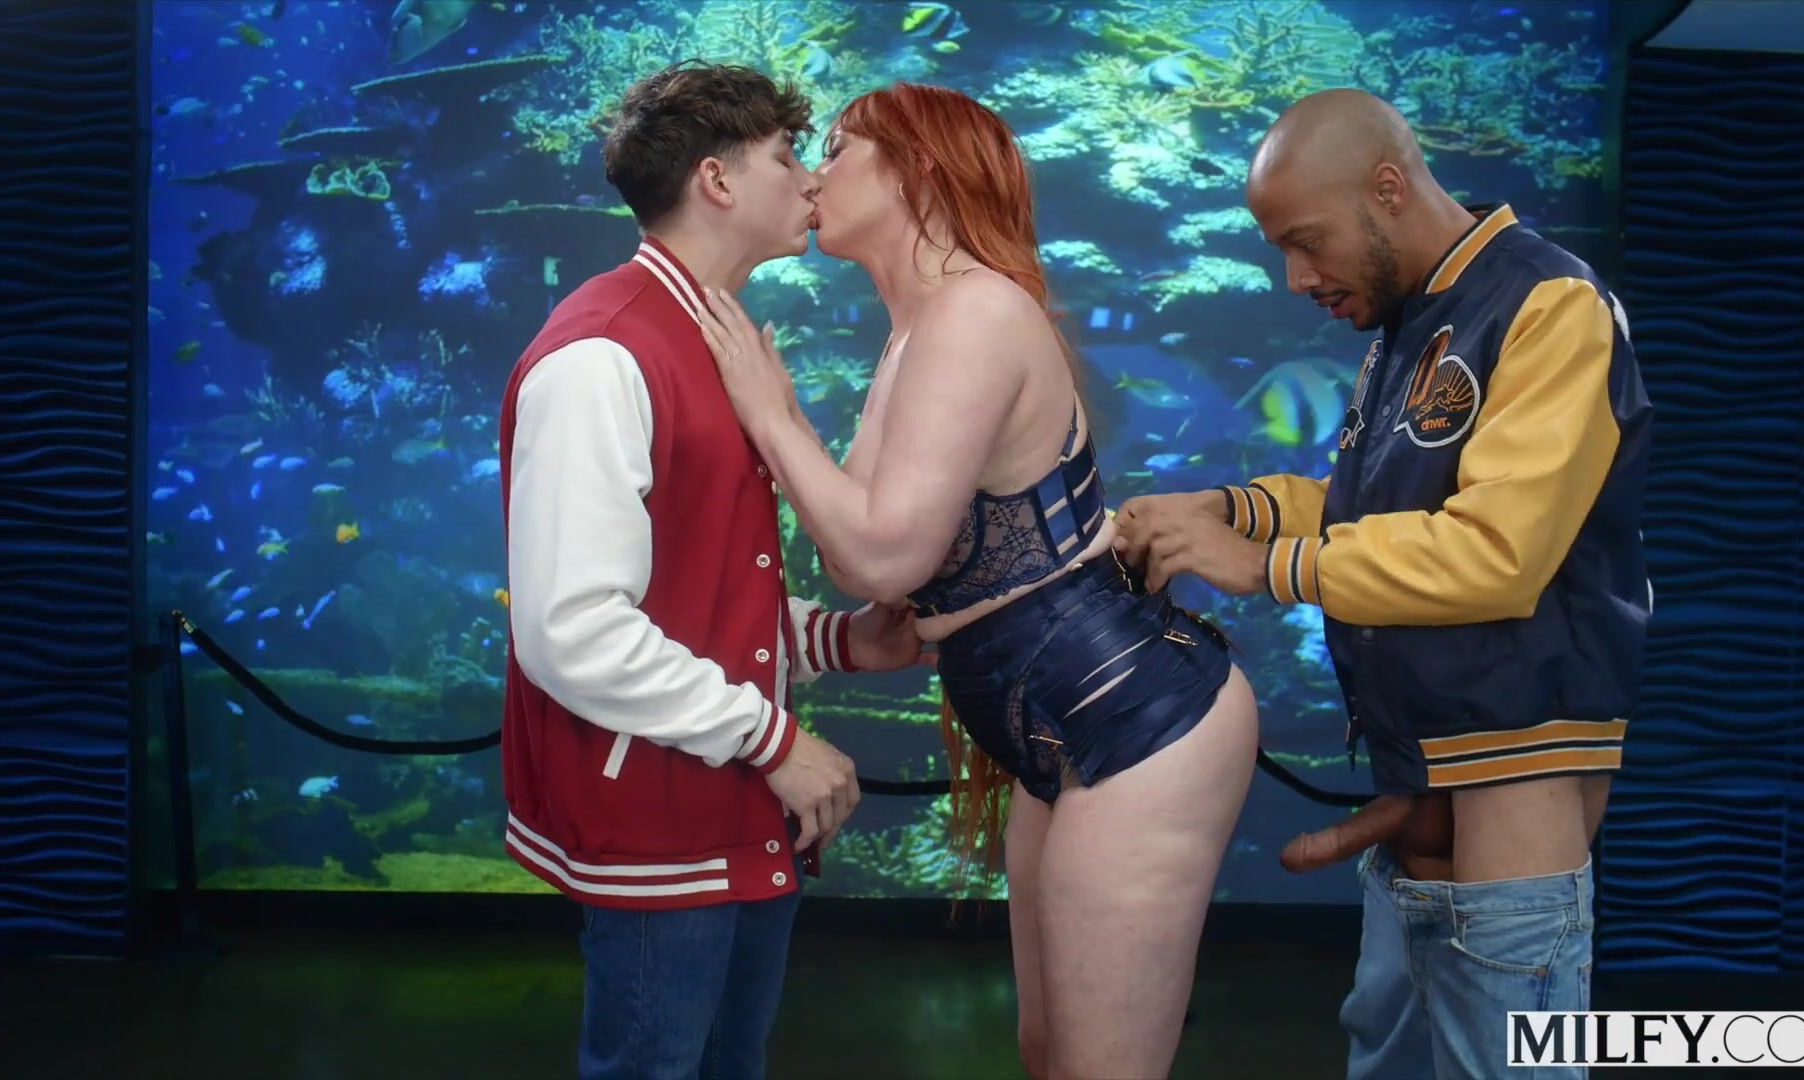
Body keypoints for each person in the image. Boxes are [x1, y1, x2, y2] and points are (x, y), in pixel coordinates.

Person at [697, 82, 1260, 1080]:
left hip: (1136, 717)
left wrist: (771, 413)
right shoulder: (918, 328)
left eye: (840, 146)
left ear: (916, 168)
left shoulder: (974, 311)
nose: (816, 174)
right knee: (1050, 1051)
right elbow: (862, 559)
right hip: (1055, 717)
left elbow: (881, 559)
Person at [1114, 88, 1653, 1079]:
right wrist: (1230, 510)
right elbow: (1375, 505)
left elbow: (1496, 554)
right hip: (1423, 790)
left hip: (1513, 783)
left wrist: (1265, 566)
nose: (1294, 277)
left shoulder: (1549, 303)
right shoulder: (1412, 323)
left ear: (1389, 189)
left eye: (1306, 241)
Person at [496, 61, 925, 1080]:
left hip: (730, 804)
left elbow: (701, 582)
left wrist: (837, 641)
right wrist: (776, 740)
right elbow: (572, 630)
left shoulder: (709, 333)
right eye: (786, 157)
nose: (811, 180)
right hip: (661, 816)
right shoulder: (602, 354)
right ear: (717, 180)